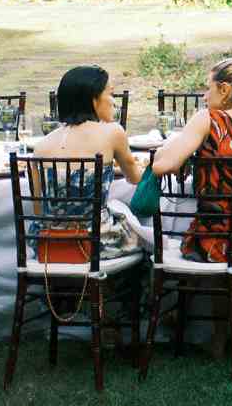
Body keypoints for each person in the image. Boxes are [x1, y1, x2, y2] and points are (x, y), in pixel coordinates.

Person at [150, 54, 232, 356]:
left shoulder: (209, 118)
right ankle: (217, 335)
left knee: (196, 238)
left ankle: (178, 317)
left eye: (207, 89)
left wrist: (171, 149)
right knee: (217, 233)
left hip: (216, 239)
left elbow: (162, 167)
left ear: (224, 90)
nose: (204, 95)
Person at [30, 66, 146, 269]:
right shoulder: (113, 132)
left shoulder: (40, 147)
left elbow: (39, 211)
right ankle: (131, 298)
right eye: (110, 93)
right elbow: (136, 178)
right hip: (97, 241)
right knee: (147, 240)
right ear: (94, 99)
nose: (114, 101)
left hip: (50, 243)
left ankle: (64, 297)